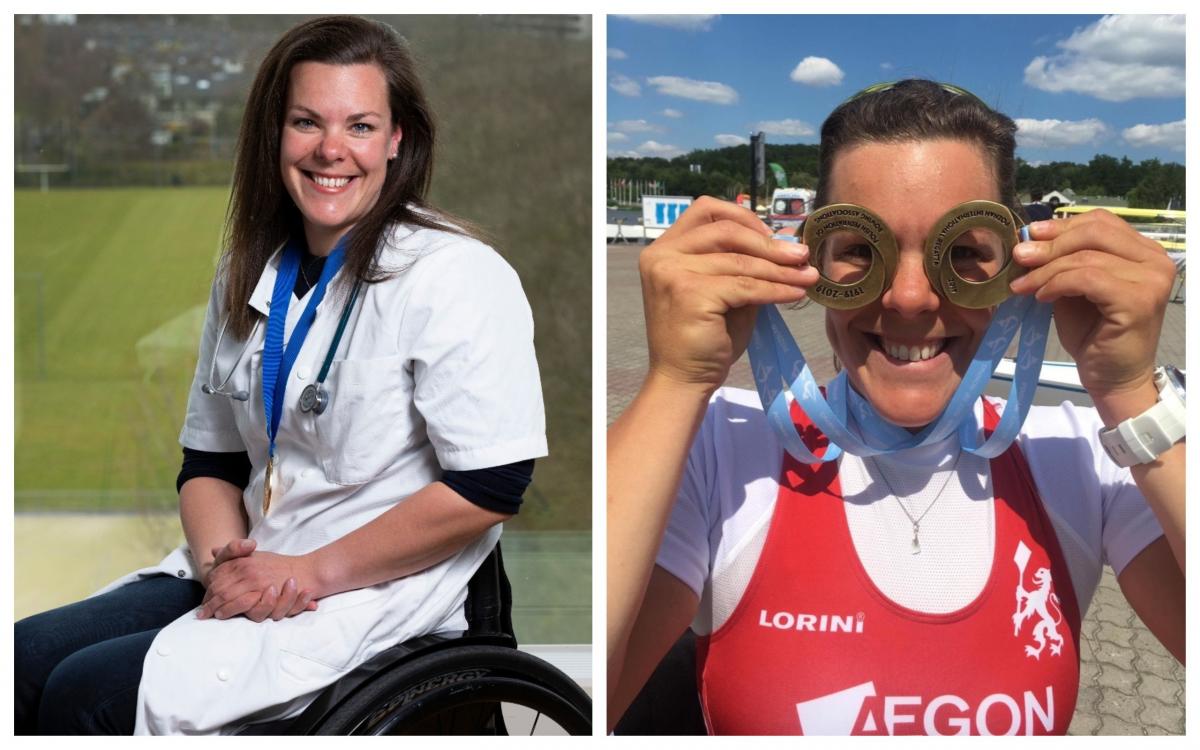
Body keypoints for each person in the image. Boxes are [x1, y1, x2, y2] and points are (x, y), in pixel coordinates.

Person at [16, 16, 546, 735]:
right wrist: (223, 568)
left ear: (396, 141)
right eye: (307, 122)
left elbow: (491, 485)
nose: (332, 150)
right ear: (275, 134)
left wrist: (308, 573)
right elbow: (209, 462)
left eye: (360, 125)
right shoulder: (245, 278)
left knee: (89, 693)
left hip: (377, 591)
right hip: (257, 564)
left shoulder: (455, 276)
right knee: (23, 660)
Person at [607, 80, 1184, 735]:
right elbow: (583, 696)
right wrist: (676, 382)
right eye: (861, 250)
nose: (910, 297)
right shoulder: (722, 450)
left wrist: (1130, 390)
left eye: (963, 253)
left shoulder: (1080, 455)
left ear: (1019, 268)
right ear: (807, 260)